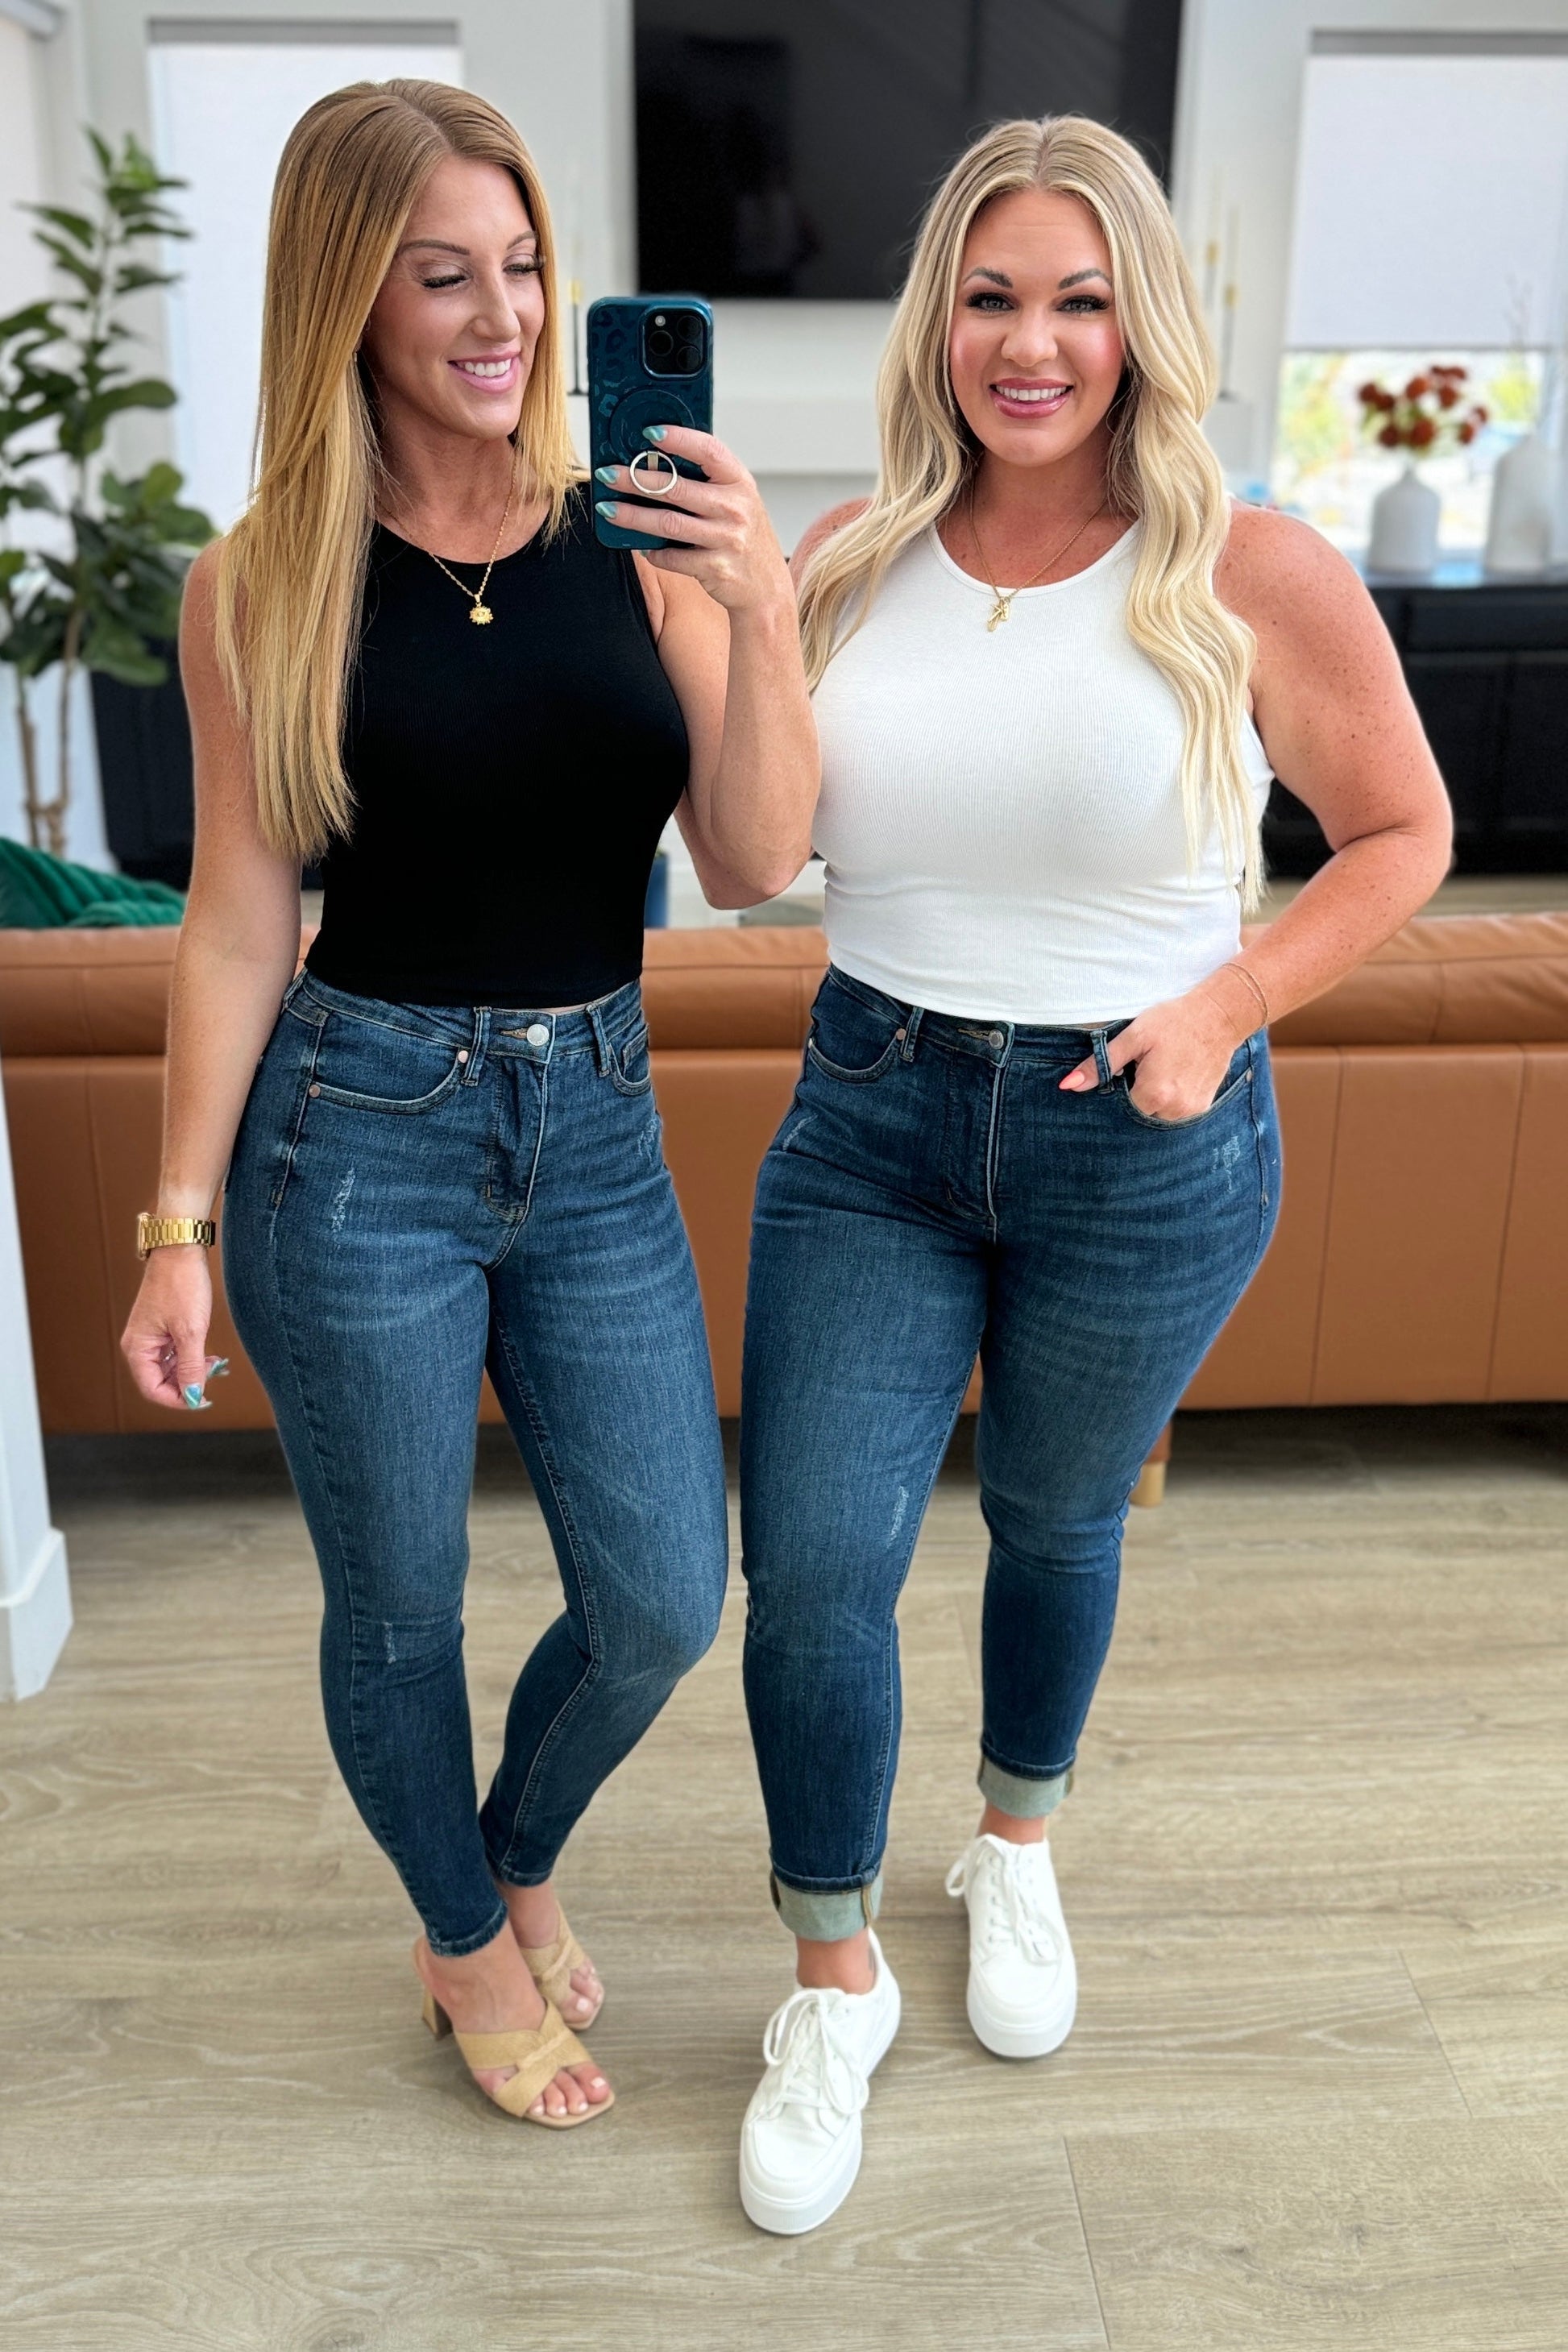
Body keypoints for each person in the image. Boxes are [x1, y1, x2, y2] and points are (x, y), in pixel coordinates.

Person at [735, 114, 1452, 2231]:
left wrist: (1229, 1001)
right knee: (815, 1570)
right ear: (935, 319)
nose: (1028, 344)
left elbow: (1400, 834)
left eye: (1076, 299)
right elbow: (753, 860)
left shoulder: (1252, 569)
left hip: (1142, 1132)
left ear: (1140, 324)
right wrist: (729, 610)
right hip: (869, 1120)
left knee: (1055, 1519)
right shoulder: (844, 552)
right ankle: (832, 1973)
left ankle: (1015, 1843)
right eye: (988, 296)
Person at [121, 78, 814, 2130]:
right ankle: (456, 1934)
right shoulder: (262, 581)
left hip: (594, 1122)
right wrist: (175, 1224)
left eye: (521, 266)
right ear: (346, 295)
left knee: (662, 1594)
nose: (502, 316)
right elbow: (237, 916)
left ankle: (502, 1850)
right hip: (351, 1139)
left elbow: (755, 857)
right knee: (398, 1603)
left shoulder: (642, 537)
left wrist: (763, 603)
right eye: (442, 275)